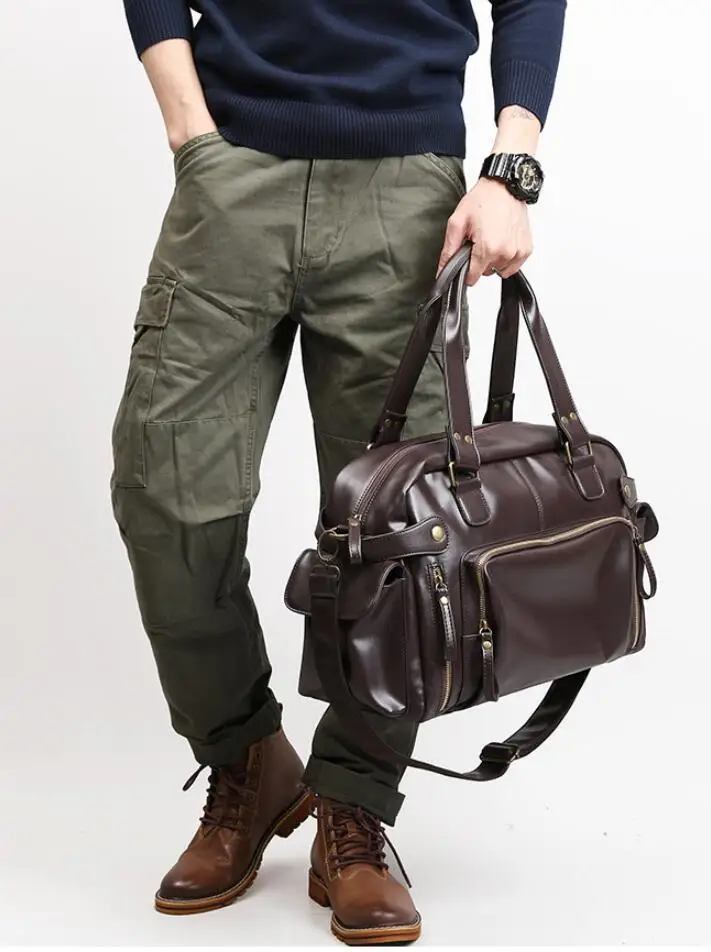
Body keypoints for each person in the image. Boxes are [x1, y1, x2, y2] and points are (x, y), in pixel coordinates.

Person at [113, 0, 565, 943]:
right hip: (232, 172)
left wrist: (509, 164)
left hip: (407, 190)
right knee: (165, 493)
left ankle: (354, 805)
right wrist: (189, 129)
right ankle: (246, 761)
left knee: (403, 537)